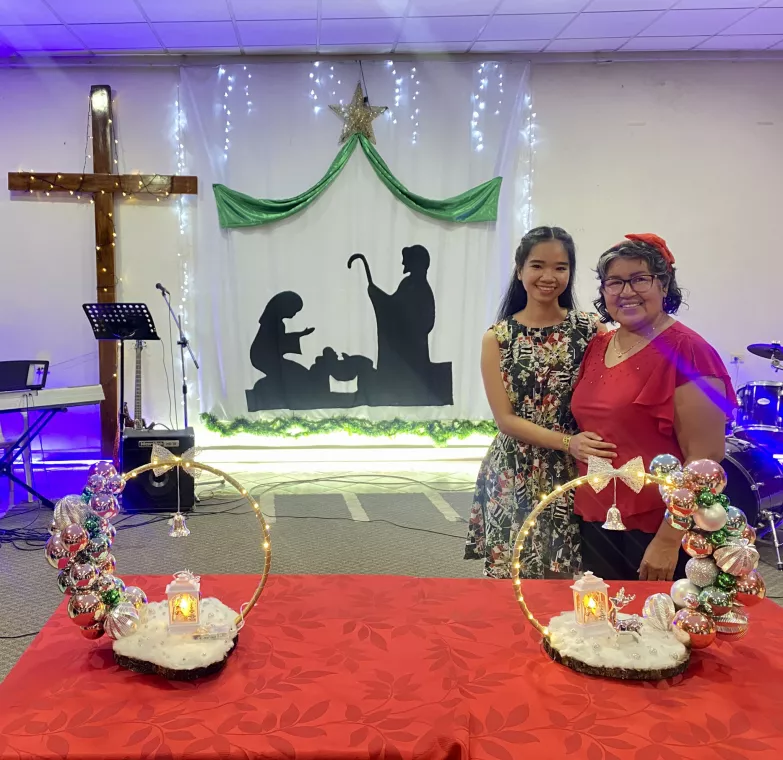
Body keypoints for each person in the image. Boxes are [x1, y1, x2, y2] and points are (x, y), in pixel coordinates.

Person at [571, 233, 737, 582]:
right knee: (601, 626)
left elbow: (704, 462)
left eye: (639, 279)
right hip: (596, 516)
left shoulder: (690, 351)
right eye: (614, 282)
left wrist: (668, 539)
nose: (626, 291)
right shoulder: (600, 344)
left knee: (655, 632)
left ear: (664, 285)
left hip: (656, 527)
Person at [464, 227, 616, 579]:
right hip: (515, 468)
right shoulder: (498, 338)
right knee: (514, 572)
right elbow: (505, 420)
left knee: (574, 574)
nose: (549, 277)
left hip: (573, 469)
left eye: (560, 268)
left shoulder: (591, 330)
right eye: (537, 266)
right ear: (520, 270)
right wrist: (568, 442)